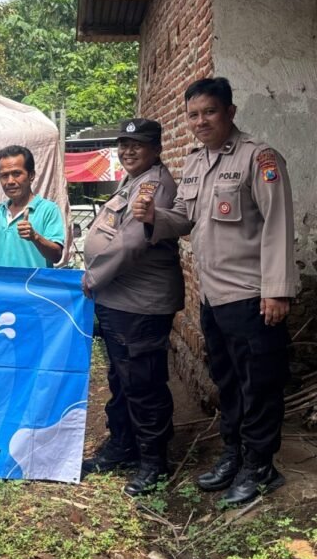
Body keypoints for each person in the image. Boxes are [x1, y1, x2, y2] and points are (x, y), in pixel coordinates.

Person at [133, 77, 298, 505]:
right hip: (213, 297)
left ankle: (261, 466)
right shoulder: (194, 163)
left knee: (258, 384)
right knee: (226, 382)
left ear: (229, 112)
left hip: (252, 295)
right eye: (193, 115)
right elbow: (183, 220)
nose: (200, 121)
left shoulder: (257, 158)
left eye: (208, 112)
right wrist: (153, 216)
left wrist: (277, 291)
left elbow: (278, 225)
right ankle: (234, 453)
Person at [81, 119, 185, 496]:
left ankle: (154, 461)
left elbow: (130, 244)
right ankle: (123, 447)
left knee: (143, 382)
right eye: (123, 145)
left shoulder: (155, 185)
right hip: (119, 300)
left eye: (136, 145)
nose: (128, 151)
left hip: (140, 304)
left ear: (155, 148)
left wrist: (92, 276)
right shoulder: (133, 180)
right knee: (121, 379)